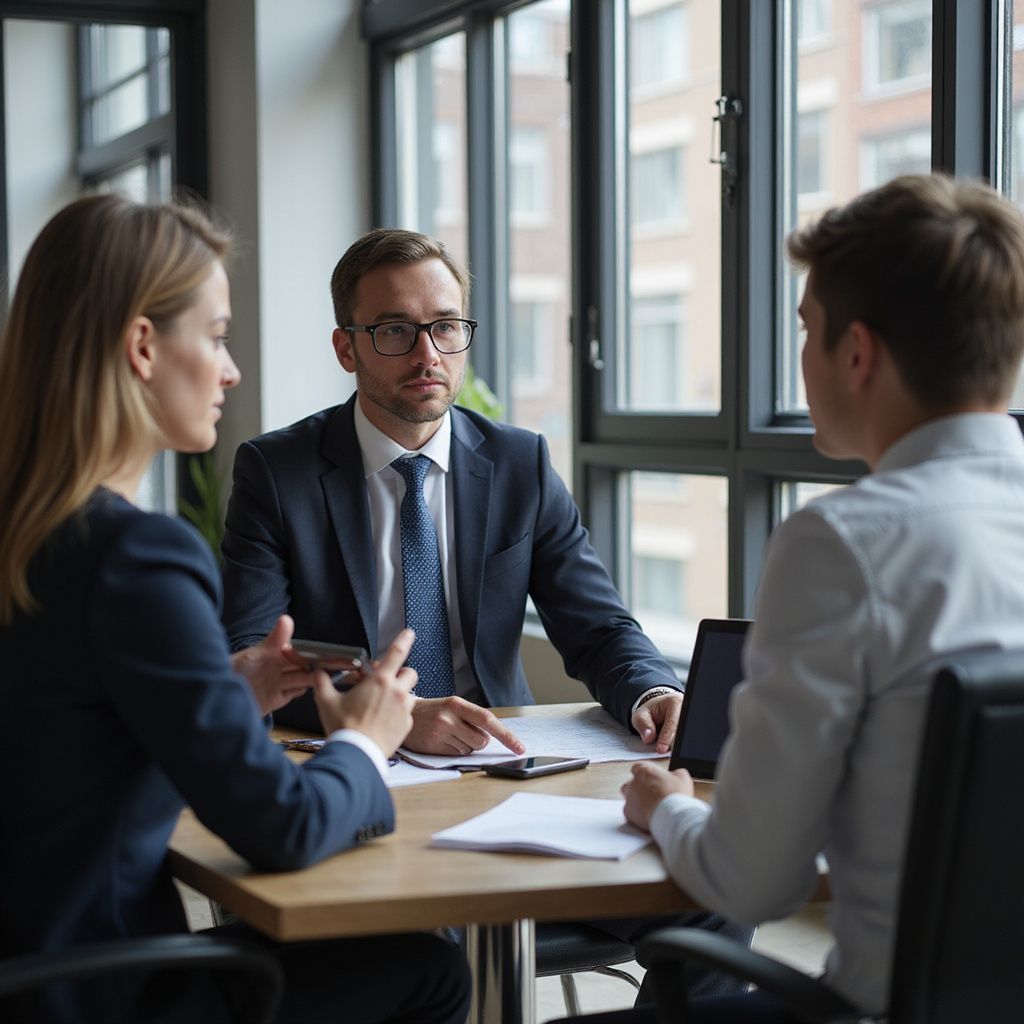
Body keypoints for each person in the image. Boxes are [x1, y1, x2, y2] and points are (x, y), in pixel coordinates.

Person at [219, 227, 751, 1000]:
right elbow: (248, 654)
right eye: (396, 331)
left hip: (512, 779)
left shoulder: (520, 463)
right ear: (348, 347)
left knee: (716, 902)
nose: (427, 354)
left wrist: (651, 694)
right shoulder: (279, 471)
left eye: (446, 327)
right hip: (365, 788)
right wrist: (396, 711)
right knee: (415, 957)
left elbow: (598, 625)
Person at [557, 173, 1024, 1024]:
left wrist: (665, 811)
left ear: (858, 354)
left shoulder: (846, 543)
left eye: (806, 331)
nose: (799, 360)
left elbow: (752, 880)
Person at [0, 194, 470, 1024]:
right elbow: (280, 828)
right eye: (215, 337)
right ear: (143, 346)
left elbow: (67, 716)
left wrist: (220, 685)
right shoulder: (135, 556)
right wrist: (366, 739)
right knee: (426, 971)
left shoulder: (32, 535)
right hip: (105, 992)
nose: (231, 370)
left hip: (35, 971)